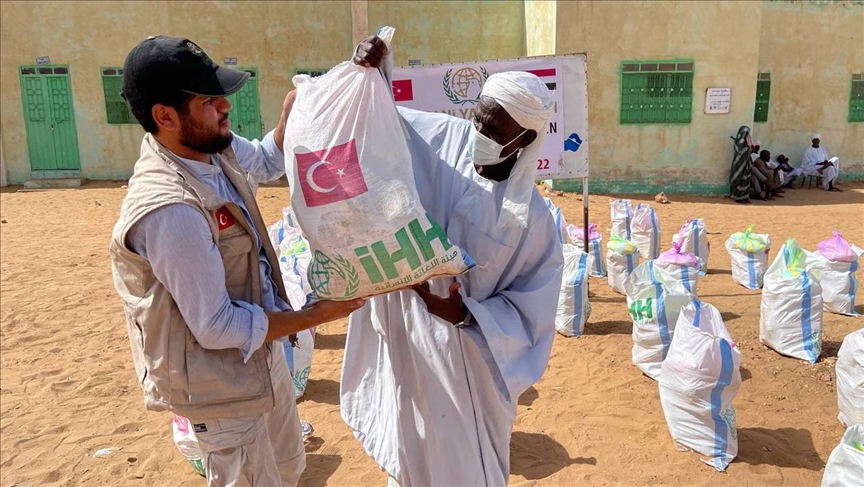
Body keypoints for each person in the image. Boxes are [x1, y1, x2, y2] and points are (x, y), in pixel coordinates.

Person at [108, 36, 364, 486]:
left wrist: (291, 115)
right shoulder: (171, 209)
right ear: (165, 116)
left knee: (288, 467)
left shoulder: (211, 147)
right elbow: (216, 326)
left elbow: (265, 161)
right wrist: (315, 316)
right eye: (208, 100)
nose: (225, 106)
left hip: (263, 353)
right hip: (218, 386)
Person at [342, 37, 564, 486]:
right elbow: (382, 120)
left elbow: (533, 309)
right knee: (409, 446)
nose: (479, 134)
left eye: (494, 131)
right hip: (406, 334)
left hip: (469, 361)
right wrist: (369, 71)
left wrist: (466, 314)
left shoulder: (532, 221)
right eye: (478, 119)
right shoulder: (442, 139)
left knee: (465, 467)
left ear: (525, 139)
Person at [730, 126, 754, 204]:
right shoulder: (738, 143)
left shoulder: (747, 143)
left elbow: (750, 152)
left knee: (746, 181)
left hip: (746, 165)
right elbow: (740, 152)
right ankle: (738, 197)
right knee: (739, 180)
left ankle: (745, 196)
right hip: (739, 165)